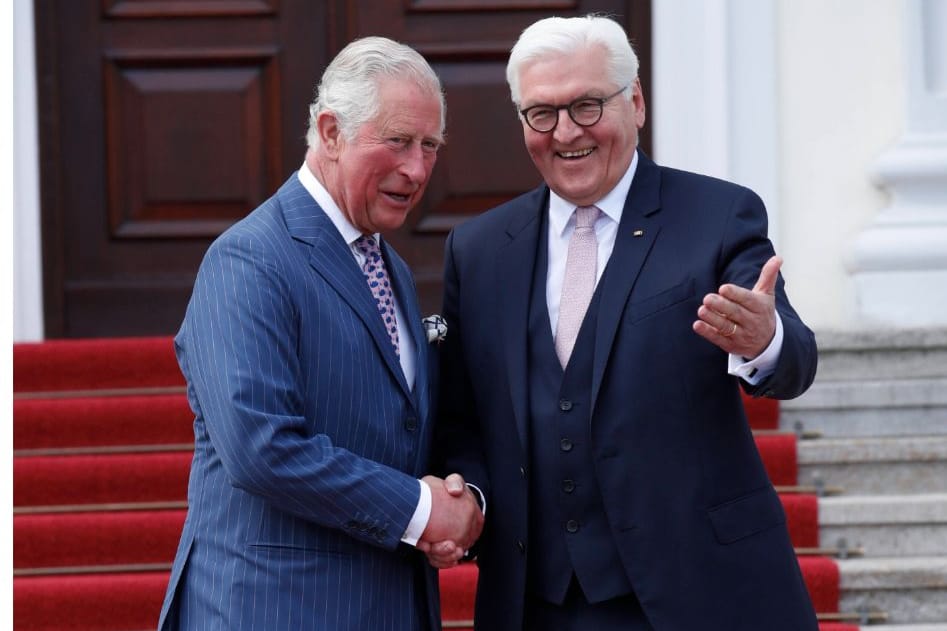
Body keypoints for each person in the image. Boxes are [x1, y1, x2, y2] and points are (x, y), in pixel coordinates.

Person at [429, 15, 819, 631]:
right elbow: (462, 420)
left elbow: (793, 355)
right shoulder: (478, 251)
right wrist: (467, 498)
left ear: (635, 101)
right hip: (536, 602)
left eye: (586, 107)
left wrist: (764, 339)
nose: (565, 133)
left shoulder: (717, 215)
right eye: (542, 114)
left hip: (697, 591)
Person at [157, 36, 483, 631]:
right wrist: (418, 510)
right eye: (398, 141)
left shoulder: (392, 270)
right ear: (330, 132)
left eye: (430, 145)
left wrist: (458, 503)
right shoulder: (249, 259)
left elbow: (401, 433)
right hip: (273, 609)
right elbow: (261, 447)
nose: (417, 169)